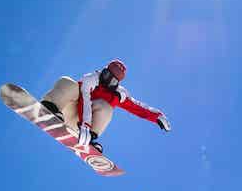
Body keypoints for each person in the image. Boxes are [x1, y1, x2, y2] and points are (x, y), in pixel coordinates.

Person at [40, 59, 171, 153]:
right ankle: (50, 106)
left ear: (117, 83)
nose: (107, 80)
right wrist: (85, 125)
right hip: (67, 110)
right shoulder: (91, 79)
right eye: (106, 74)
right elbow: (84, 100)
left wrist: (157, 117)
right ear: (103, 71)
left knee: (106, 107)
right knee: (68, 82)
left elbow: (138, 107)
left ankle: (91, 139)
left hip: (83, 130)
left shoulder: (118, 95)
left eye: (112, 80)